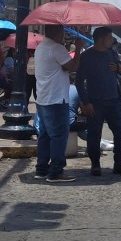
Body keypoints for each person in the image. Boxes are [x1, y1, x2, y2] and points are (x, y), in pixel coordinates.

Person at [76, 27, 121, 176]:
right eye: (109, 37)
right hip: (95, 102)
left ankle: (119, 164)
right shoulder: (87, 56)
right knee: (94, 134)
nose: (112, 40)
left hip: (114, 100)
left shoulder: (112, 53)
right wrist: (85, 102)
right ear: (102, 39)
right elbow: (79, 81)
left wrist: (118, 68)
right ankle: (95, 164)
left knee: (120, 132)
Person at [34, 25, 82, 182]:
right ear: (57, 32)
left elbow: (60, 67)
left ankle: (41, 169)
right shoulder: (56, 47)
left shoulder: (41, 47)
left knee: (45, 135)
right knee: (59, 135)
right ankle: (56, 171)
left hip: (43, 97)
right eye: (62, 31)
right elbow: (73, 67)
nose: (63, 35)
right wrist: (78, 48)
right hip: (56, 98)